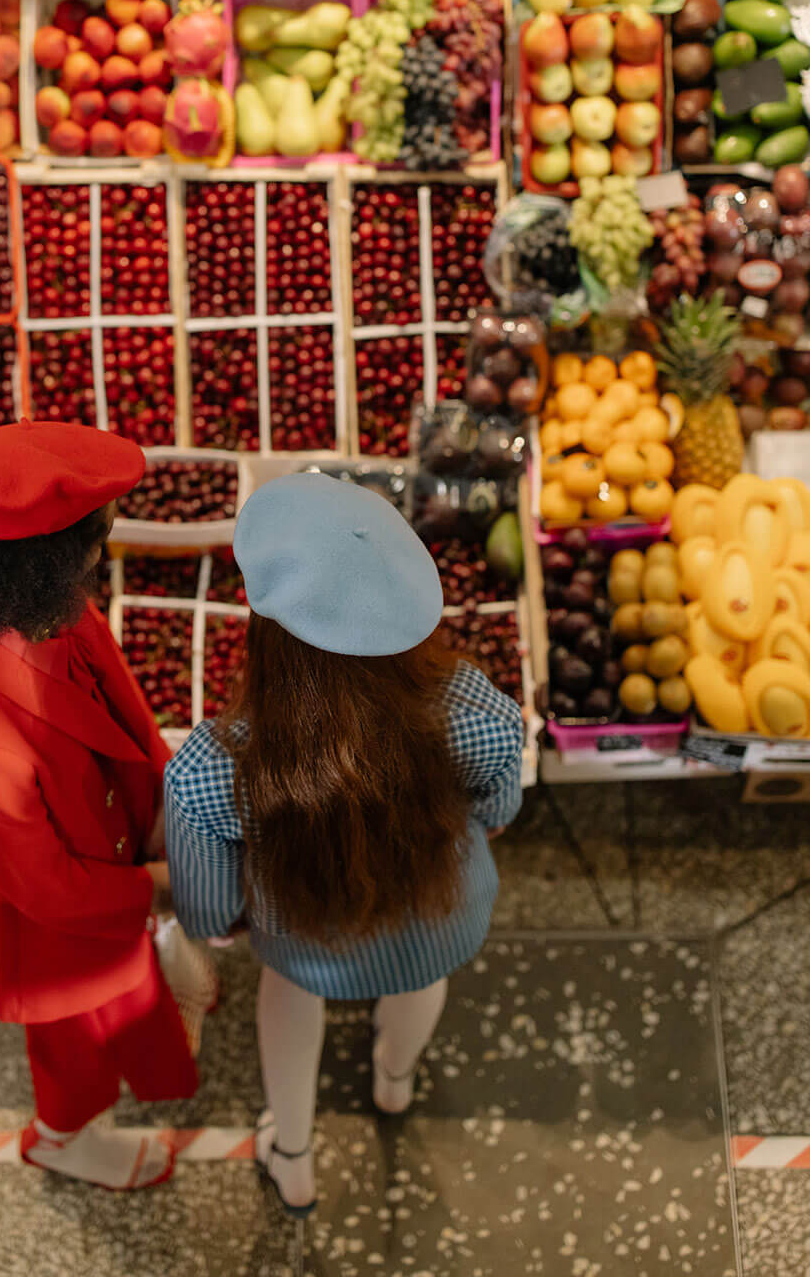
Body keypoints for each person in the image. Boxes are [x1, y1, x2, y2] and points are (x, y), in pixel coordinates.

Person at [165, 472, 523, 1217]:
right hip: (437, 912)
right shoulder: (480, 712)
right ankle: (394, 1080)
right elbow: (498, 808)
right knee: (421, 983)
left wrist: (225, 922)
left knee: (290, 1002)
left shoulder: (211, 767)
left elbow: (210, 912)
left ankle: (293, 1156)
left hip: (304, 938)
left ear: (265, 626)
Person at [0, 420, 198, 1191]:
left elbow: (106, 680)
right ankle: (63, 1135)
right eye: (93, 542)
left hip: (79, 816)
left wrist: (159, 789)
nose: (102, 554)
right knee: (70, 1020)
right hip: (44, 883)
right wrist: (162, 887)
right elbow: (52, 892)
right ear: (45, 567)